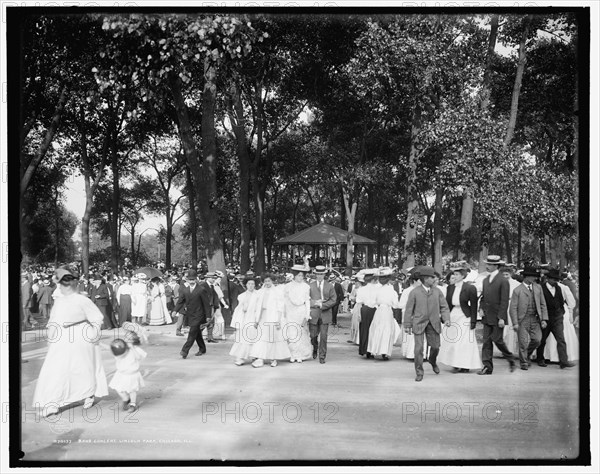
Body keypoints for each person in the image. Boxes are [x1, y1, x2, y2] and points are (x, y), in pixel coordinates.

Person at [32, 267, 108, 417]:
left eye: (67, 283)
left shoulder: (82, 300)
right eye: (62, 284)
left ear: (73, 285)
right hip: (62, 339)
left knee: (82, 368)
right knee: (55, 370)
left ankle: (88, 394)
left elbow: (97, 318)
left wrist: (92, 334)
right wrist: (51, 338)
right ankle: (53, 404)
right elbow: (53, 321)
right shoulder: (59, 302)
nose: (64, 287)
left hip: (81, 336)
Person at [403, 266, 451, 382]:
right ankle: (419, 372)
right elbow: (409, 309)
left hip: (433, 323)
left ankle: (432, 361)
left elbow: (444, 306)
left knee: (435, 347)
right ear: (425, 279)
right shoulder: (414, 292)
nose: (434, 279)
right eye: (432, 277)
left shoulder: (437, 291)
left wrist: (446, 318)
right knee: (418, 348)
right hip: (419, 323)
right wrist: (407, 325)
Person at [437, 261, 482, 373]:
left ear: (463, 276)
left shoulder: (470, 288)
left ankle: (465, 364)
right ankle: (455, 363)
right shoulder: (450, 288)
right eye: (454, 275)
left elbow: (474, 306)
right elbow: (447, 304)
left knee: (464, 341)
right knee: (453, 341)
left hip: (464, 315)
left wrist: (473, 321)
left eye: (457, 275)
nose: (455, 277)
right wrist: (445, 317)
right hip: (453, 315)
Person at [478, 255, 516, 375]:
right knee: (486, 342)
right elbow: (483, 297)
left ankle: (510, 358)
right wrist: (481, 308)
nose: (487, 266)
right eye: (487, 264)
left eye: (489, 264)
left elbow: (504, 301)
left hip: (497, 316)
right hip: (487, 316)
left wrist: (501, 318)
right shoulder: (485, 280)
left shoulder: (503, 281)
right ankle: (487, 367)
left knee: (497, 340)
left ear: (496, 266)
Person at [508, 267, 548, 370]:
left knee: (537, 340)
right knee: (523, 342)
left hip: (535, 318)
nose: (534, 278)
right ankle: (524, 362)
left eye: (535, 276)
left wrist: (544, 319)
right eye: (532, 276)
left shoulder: (538, 288)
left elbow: (543, 304)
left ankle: (526, 355)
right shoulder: (517, 290)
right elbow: (513, 308)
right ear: (525, 277)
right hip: (523, 319)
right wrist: (515, 323)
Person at [536, 268, 576, 369]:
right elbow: (538, 304)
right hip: (546, 318)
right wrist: (542, 318)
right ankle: (540, 359)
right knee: (542, 340)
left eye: (557, 279)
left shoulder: (559, 288)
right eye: (553, 279)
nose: (555, 281)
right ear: (548, 279)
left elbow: (561, 302)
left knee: (561, 340)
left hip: (557, 318)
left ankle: (563, 361)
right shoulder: (541, 288)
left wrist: (561, 313)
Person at [249, 274, 291, 367]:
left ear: (272, 281)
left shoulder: (277, 292)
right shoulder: (260, 292)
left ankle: (273, 358)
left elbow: (280, 307)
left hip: (273, 317)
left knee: (272, 338)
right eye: (265, 281)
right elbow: (257, 307)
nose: (267, 283)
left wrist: (279, 320)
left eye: (269, 281)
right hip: (262, 317)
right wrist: (256, 320)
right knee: (261, 338)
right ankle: (260, 358)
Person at [173, 269, 212, 359]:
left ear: (196, 279)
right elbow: (180, 301)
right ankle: (202, 349)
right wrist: (175, 310)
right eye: (190, 279)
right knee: (197, 333)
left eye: (193, 279)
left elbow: (206, 304)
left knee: (192, 333)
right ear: (187, 280)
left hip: (199, 315)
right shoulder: (185, 290)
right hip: (190, 314)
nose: (191, 281)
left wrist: (208, 316)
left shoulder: (201, 289)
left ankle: (184, 351)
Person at [367, 268, 402, 360]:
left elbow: (371, 303)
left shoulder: (376, 290)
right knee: (387, 330)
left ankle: (372, 350)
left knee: (375, 329)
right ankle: (384, 352)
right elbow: (395, 305)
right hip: (387, 311)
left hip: (379, 311)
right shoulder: (392, 291)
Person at [108, 331, 147, 413]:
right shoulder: (122, 347)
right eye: (126, 337)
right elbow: (111, 348)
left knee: (132, 390)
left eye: (129, 339)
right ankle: (126, 399)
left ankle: (133, 404)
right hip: (121, 374)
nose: (126, 340)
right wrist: (100, 344)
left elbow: (139, 357)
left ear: (133, 341)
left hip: (132, 374)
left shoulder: (136, 349)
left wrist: (132, 348)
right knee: (118, 388)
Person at [283, 264, 313, 363]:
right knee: (291, 333)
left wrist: (307, 314)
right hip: (290, 311)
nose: (300, 277)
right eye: (298, 275)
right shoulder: (287, 286)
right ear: (294, 275)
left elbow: (307, 301)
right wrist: (284, 313)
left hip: (301, 311)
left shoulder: (306, 287)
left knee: (301, 333)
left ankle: (300, 354)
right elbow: (285, 301)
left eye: (302, 275)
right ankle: (292, 354)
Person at [308, 266, 338, 364]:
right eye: (318, 274)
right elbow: (306, 299)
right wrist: (314, 303)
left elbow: (334, 299)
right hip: (314, 314)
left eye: (321, 274)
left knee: (324, 336)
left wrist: (322, 305)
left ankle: (322, 356)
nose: (320, 276)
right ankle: (315, 348)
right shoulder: (310, 285)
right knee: (313, 336)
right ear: (315, 274)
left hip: (325, 314)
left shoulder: (330, 286)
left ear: (324, 275)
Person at [229, 276, 259, 365]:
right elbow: (238, 309)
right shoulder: (241, 296)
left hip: (254, 318)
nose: (251, 285)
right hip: (244, 319)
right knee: (242, 338)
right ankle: (240, 357)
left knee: (254, 337)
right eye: (249, 284)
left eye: (252, 284)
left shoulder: (258, 295)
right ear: (246, 285)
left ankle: (254, 356)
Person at [399, 267, 426, 360]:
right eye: (419, 281)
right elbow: (401, 304)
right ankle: (411, 354)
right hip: (410, 315)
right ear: (414, 281)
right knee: (410, 336)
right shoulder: (407, 291)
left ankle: (422, 354)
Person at [357, 269, 379, 359]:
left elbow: (359, 302)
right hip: (375, 309)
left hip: (364, 309)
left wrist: (358, 314)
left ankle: (364, 349)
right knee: (374, 330)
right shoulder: (378, 288)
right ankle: (372, 349)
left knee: (364, 329)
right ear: (373, 279)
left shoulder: (361, 289)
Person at [348, 273, 364, 344]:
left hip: (362, 306)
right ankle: (354, 338)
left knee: (359, 321)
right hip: (357, 306)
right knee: (355, 321)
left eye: (357, 282)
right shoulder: (355, 289)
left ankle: (359, 339)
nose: (356, 284)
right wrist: (353, 299)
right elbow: (351, 297)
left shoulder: (363, 289)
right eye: (355, 282)